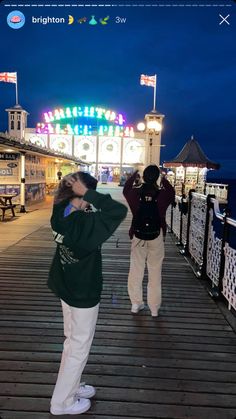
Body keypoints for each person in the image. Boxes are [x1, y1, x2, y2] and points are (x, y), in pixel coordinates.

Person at [47, 171, 127, 416]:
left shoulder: (60, 211)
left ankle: (70, 386)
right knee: (79, 347)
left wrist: (80, 194)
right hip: (83, 291)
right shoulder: (85, 224)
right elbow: (118, 212)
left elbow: (78, 204)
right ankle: (62, 403)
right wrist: (88, 193)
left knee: (71, 342)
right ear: (82, 192)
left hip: (65, 285)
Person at [123, 165, 175, 317]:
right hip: (156, 235)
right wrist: (163, 178)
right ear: (157, 177)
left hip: (138, 236)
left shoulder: (134, 193)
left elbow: (125, 190)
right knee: (155, 271)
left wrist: (134, 176)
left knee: (136, 269)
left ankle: (136, 303)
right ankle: (154, 308)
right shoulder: (163, 195)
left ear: (144, 177)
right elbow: (172, 193)